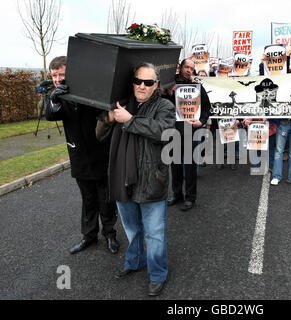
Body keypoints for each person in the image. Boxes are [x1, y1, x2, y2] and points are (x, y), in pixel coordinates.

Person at [96, 62, 176, 296]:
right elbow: (99, 135)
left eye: (148, 82)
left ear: (156, 85)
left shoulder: (164, 106)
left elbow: (164, 132)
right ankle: (135, 261)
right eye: (138, 81)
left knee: (154, 233)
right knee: (132, 228)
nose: (142, 86)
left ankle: (158, 273)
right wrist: (110, 117)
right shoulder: (121, 104)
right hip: (122, 179)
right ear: (132, 83)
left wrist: (129, 119)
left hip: (152, 181)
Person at [45, 56, 119, 255]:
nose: (58, 79)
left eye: (62, 74)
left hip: (101, 152)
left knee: (106, 197)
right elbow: (51, 115)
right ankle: (89, 235)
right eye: (54, 76)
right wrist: (54, 99)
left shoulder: (91, 89)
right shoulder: (55, 95)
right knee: (88, 199)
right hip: (78, 155)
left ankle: (110, 234)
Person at [164, 59, 212, 211]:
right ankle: (176, 194)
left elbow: (206, 107)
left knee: (190, 166)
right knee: (175, 165)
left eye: (192, 68)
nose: (189, 70)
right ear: (180, 68)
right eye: (186, 67)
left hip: (191, 131)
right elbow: (162, 103)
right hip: (173, 130)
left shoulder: (197, 88)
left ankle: (190, 197)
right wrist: (167, 91)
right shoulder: (169, 85)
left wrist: (202, 121)